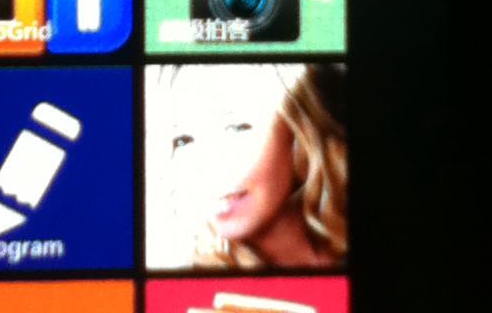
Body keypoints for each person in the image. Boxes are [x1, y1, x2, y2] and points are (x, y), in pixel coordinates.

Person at [147, 62, 347, 270]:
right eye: (183, 140)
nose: (206, 167)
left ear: (301, 132)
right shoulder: (186, 280)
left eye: (237, 128)